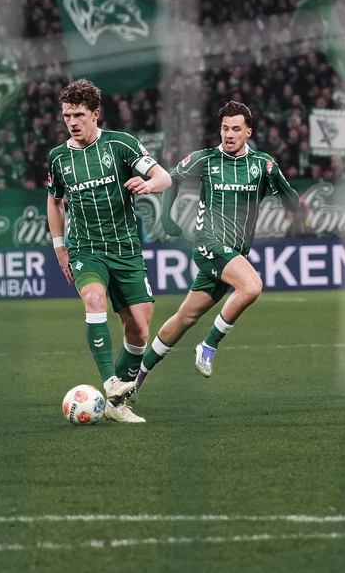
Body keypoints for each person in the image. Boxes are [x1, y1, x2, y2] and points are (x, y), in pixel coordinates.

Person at [132, 101, 300, 397]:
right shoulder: (205, 159)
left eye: (236, 129)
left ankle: (133, 382)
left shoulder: (262, 164)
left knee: (184, 318)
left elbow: (293, 204)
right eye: (225, 128)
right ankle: (208, 345)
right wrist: (166, 217)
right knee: (252, 286)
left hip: (234, 254)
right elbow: (171, 179)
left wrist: (278, 179)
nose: (229, 134)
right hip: (209, 244)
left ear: (248, 132)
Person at [46, 78, 171, 423]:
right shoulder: (59, 158)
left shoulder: (121, 145)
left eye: (79, 115)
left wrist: (148, 185)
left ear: (95, 114)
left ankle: (116, 405)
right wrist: (60, 248)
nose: (72, 122)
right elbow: (54, 202)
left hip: (126, 250)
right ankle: (110, 381)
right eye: (67, 115)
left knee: (140, 331)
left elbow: (164, 177)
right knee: (95, 300)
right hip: (86, 249)